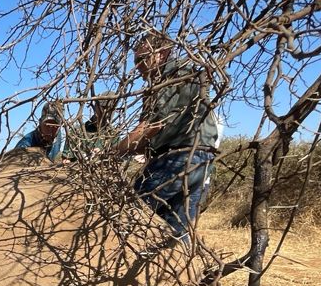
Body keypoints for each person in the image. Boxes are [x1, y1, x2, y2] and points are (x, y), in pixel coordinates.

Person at [112, 34, 222, 238]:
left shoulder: (171, 77)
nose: (138, 67)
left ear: (162, 54)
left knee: (128, 215)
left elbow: (150, 127)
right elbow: (146, 140)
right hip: (202, 161)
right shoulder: (184, 75)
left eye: (141, 59)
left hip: (177, 159)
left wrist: (111, 154)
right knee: (175, 237)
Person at [59, 93, 118, 160]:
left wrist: (102, 154)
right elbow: (66, 162)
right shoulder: (76, 132)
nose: (106, 112)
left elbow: (117, 161)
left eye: (111, 109)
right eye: (103, 107)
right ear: (95, 107)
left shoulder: (114, 136)